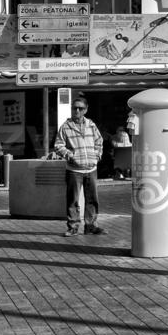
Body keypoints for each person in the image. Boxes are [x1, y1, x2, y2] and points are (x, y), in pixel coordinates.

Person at [54, 95, 105, 235]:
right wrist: (71, 156)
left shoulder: (91, 125)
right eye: (74, 108)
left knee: (92, 200)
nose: (77, 110)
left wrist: (97, 156)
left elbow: (99, 142)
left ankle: (91, 226)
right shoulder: (65, 127)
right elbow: (58, 145)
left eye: (80, 108)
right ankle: (73, 227)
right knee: (73, 201)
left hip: (91, 168)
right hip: (74, 170)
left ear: (86, 110)